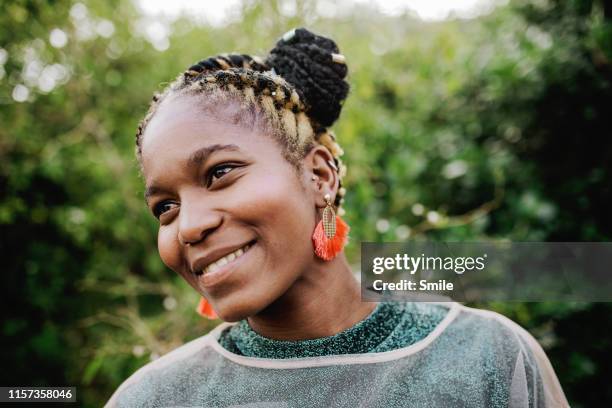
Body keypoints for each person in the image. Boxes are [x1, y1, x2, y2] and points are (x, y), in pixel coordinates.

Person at [106, 28, 569, 407]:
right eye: (165, 207)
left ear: (319, 176)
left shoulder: (486, 358)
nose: (188, 225)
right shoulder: (154, 399)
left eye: (220, 173)